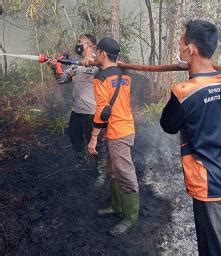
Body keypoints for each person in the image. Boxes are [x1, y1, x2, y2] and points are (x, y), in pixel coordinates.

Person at [160, 20, 221, 256]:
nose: (179, 48)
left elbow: (168, 125)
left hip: (210, 184)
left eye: (181, 43)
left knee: (214, 251)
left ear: (191, 49)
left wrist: (182, 87)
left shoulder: (185, 92)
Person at [87, 37, 139, 236]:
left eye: (97, 51)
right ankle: (116, 206)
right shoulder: (126, 73)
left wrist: (93, 138)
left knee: (125, 175)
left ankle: (131, 217)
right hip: (124, 129)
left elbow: (102, 110)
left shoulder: (101, 78)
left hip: (118, 133)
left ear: (103, 54)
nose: (96, 55)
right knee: (114, 171)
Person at [48, 34, 107, 185]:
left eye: (81, 43)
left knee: (96, 144)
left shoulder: (99, 61)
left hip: (92, 112)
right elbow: (62, 79)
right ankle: (82, 161)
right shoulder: (77, 64)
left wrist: (94, 63)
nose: (78, 45)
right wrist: (56, 67)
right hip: (77, 110)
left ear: (91, 45)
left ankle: (101, 172)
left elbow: (108, 70)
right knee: (74, 138)